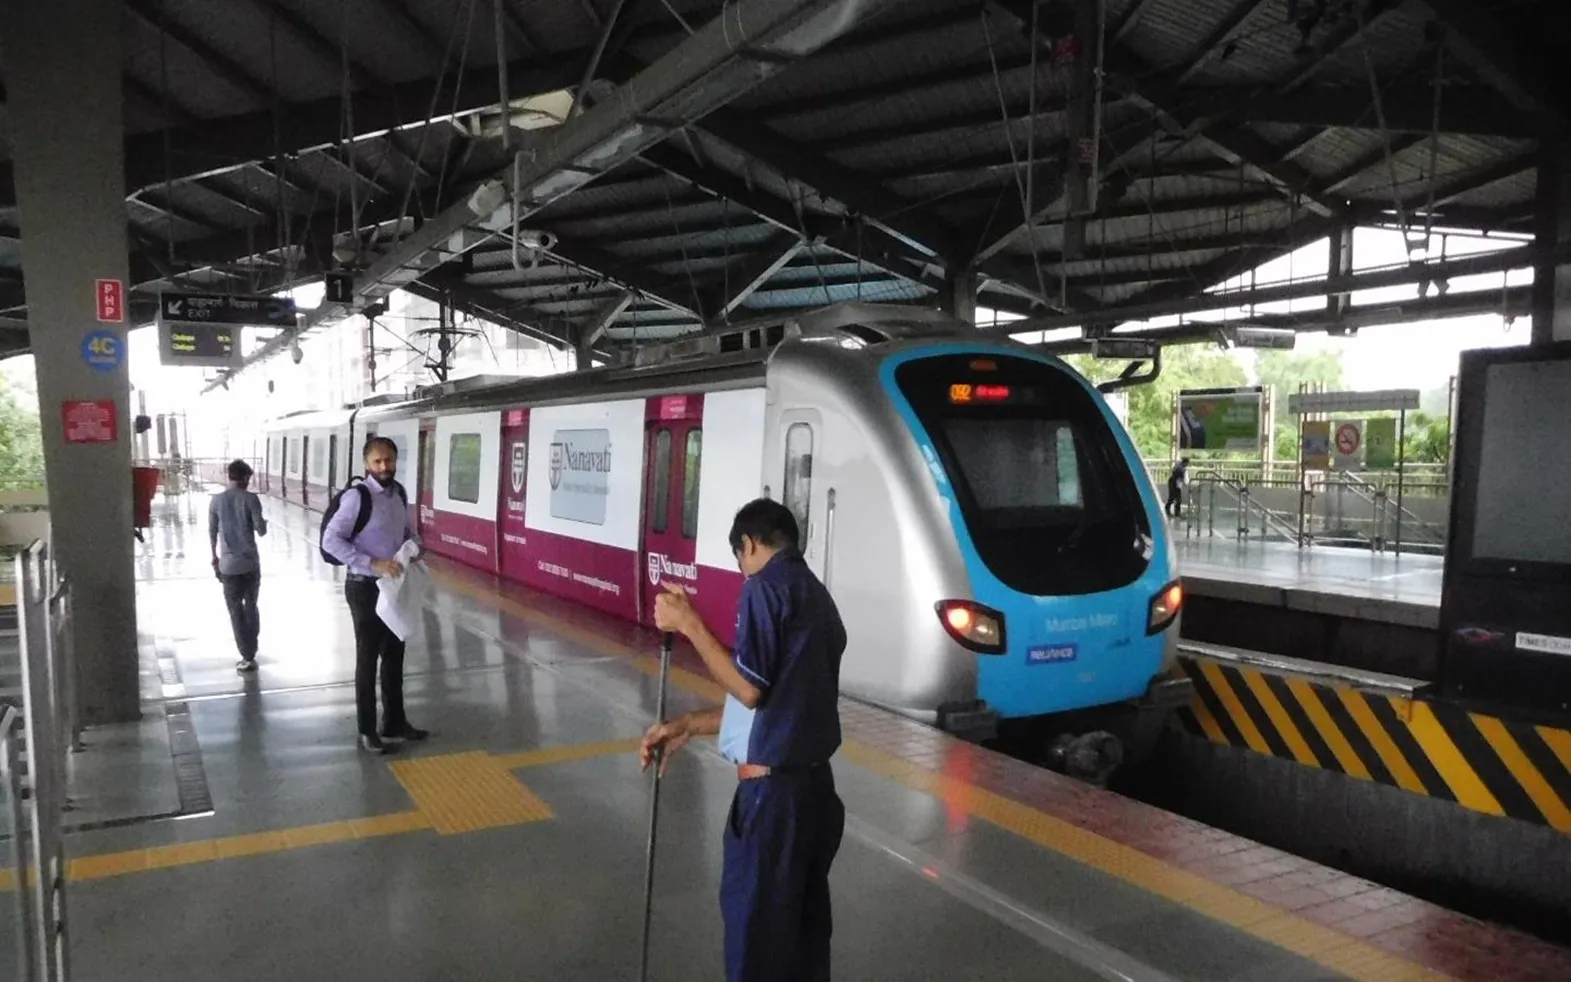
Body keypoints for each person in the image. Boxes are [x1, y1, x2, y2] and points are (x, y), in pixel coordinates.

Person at [639, 498, 847, 982]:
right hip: (815, 795)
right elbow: (779, 705)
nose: (741, 571)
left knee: (756, 947)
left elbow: (750, 689)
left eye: (740, 559)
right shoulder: (817, 597)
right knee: (802, 945)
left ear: (749, 545)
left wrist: (688, 624)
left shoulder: (764, 589)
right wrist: (688, 724)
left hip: (773, 804)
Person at [321, 436, 429, 755]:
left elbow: (404, 532)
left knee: (394, 656)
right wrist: (372, 563)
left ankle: (394, 722)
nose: (385, 467)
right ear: (367, 464)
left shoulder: (399, 494)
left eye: (389, 460)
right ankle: (367, 730)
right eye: (378, 461)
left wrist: (416, 545)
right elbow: (331, 540)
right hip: (364, 587)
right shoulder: (358, 497)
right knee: (367, 659)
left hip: (394, 587)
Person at [209, 459, 268, 673]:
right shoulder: (251, 499)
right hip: (251, 564)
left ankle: (246, 655)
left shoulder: (216, 501)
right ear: (245, 478)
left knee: (235, 611)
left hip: (228, 566)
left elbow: (212, 532)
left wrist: (214, 558)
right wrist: (262, 523)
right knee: (251, 605)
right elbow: (261, 530)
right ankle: (253, 647)